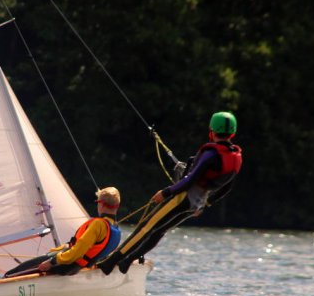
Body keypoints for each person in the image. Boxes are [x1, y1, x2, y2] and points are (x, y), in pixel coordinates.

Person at [99, 111, 242, 274]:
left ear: (212, 131)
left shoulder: (210, 153)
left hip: (182, 197)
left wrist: (166, 192)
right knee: (159, 230)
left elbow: (190, 180)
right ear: (232, 133)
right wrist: (206, 204)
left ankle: (110, 262)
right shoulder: (235, 157)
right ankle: (127, 261)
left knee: (146, 226)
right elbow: (226, 187)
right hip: (197, 203)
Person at [2, 187, 123, 277]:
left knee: (11, 274)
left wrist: (52, 262)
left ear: (101, 204)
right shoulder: (116, 229)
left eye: (97, 202)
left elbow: (77, 251)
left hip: (66, 264)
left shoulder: (99, 225)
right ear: (117, 206)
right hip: (75, 266)